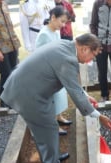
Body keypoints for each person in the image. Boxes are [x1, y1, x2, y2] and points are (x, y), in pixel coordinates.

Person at [0, 33, 111, 163]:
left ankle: (51, 158)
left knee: (47, 128)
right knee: (47, 128)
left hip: (31, 88)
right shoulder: (67, 59)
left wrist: (86, 95)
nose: (89, 61)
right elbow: (75, 93)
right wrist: (99, 116)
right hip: (27, 94)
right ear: (85, 49)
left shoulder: (66, 45)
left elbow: (71, 82)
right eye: (92, 57)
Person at [35, 6, 72, 135]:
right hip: (47, 72)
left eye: (65, 22)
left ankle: (59, 116)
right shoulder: (44, 34)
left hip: (57, 68)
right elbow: (39, 56)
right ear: (53, 17)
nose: (63, 25)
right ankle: (53, 125)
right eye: (61, 21)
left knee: (60, 95)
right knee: (51, 99)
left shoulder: (56, 32)